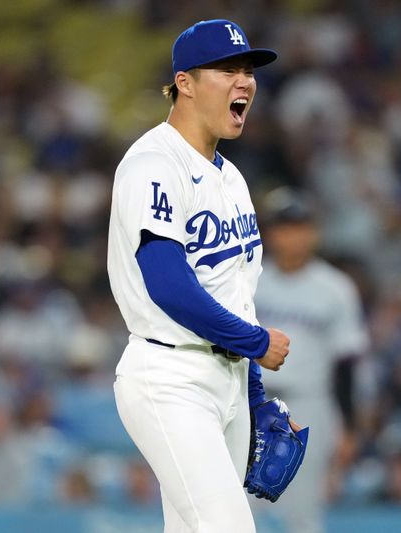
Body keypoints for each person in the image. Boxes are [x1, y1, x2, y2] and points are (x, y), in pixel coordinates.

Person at [107, 19, 292, 532]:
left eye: (248, 71)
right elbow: (167, 283)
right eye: (227, 69)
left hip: (227, 380)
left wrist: (253, 395)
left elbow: (236, 297)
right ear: (183, 82)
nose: (245, 82)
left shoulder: (230, 178)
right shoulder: (153, 163)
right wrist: (255, 343)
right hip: (171, 378)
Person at [253, 187, 370, 533]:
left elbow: (346, 361)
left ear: (313, 232)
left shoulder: (335, 288)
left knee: (303, 512)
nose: (292, 236)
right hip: (254, 402)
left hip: (309, 403)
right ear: (272, 233)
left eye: (300, 226)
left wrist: (348, 426)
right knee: (239, 508)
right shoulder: (249, 279)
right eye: (284, 227)